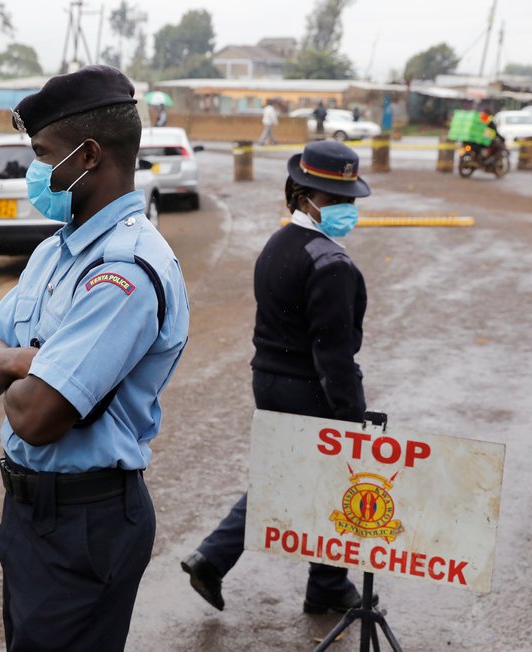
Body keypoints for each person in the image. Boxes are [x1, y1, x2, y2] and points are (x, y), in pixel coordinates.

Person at [0, 65, 190, 652]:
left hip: (85, 524)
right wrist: (29, 360)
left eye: (43, 154)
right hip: (30, 513)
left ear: (87, 156)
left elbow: (36, 418)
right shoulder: (55, 252)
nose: (34, 171)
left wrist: (20, 371)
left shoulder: (126, 272)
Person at [180, 140, 376, 616]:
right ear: (304, 195)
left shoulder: (279, 243)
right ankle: (326, 586)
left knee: (287, 475)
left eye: (350, 199)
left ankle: (215, 557)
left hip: (268, 380)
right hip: (309, 387)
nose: (347, 209)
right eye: (337, 200)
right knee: (335, 481)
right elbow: (333, 353)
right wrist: (351, 415)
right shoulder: (331, 264)